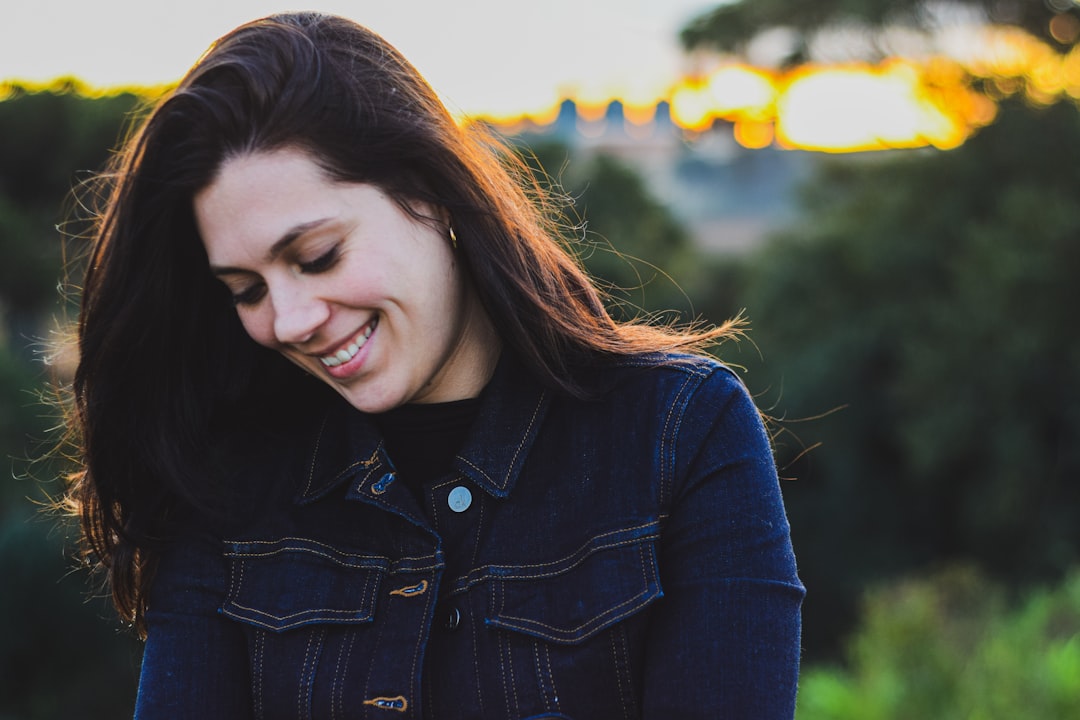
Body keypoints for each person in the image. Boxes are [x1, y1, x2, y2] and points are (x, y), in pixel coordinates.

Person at [63, 12, 803, 719]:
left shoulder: (681, 435)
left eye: (317, 257)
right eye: (246, 290)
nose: (289, 321)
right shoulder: (227, 479)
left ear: (428, 191)